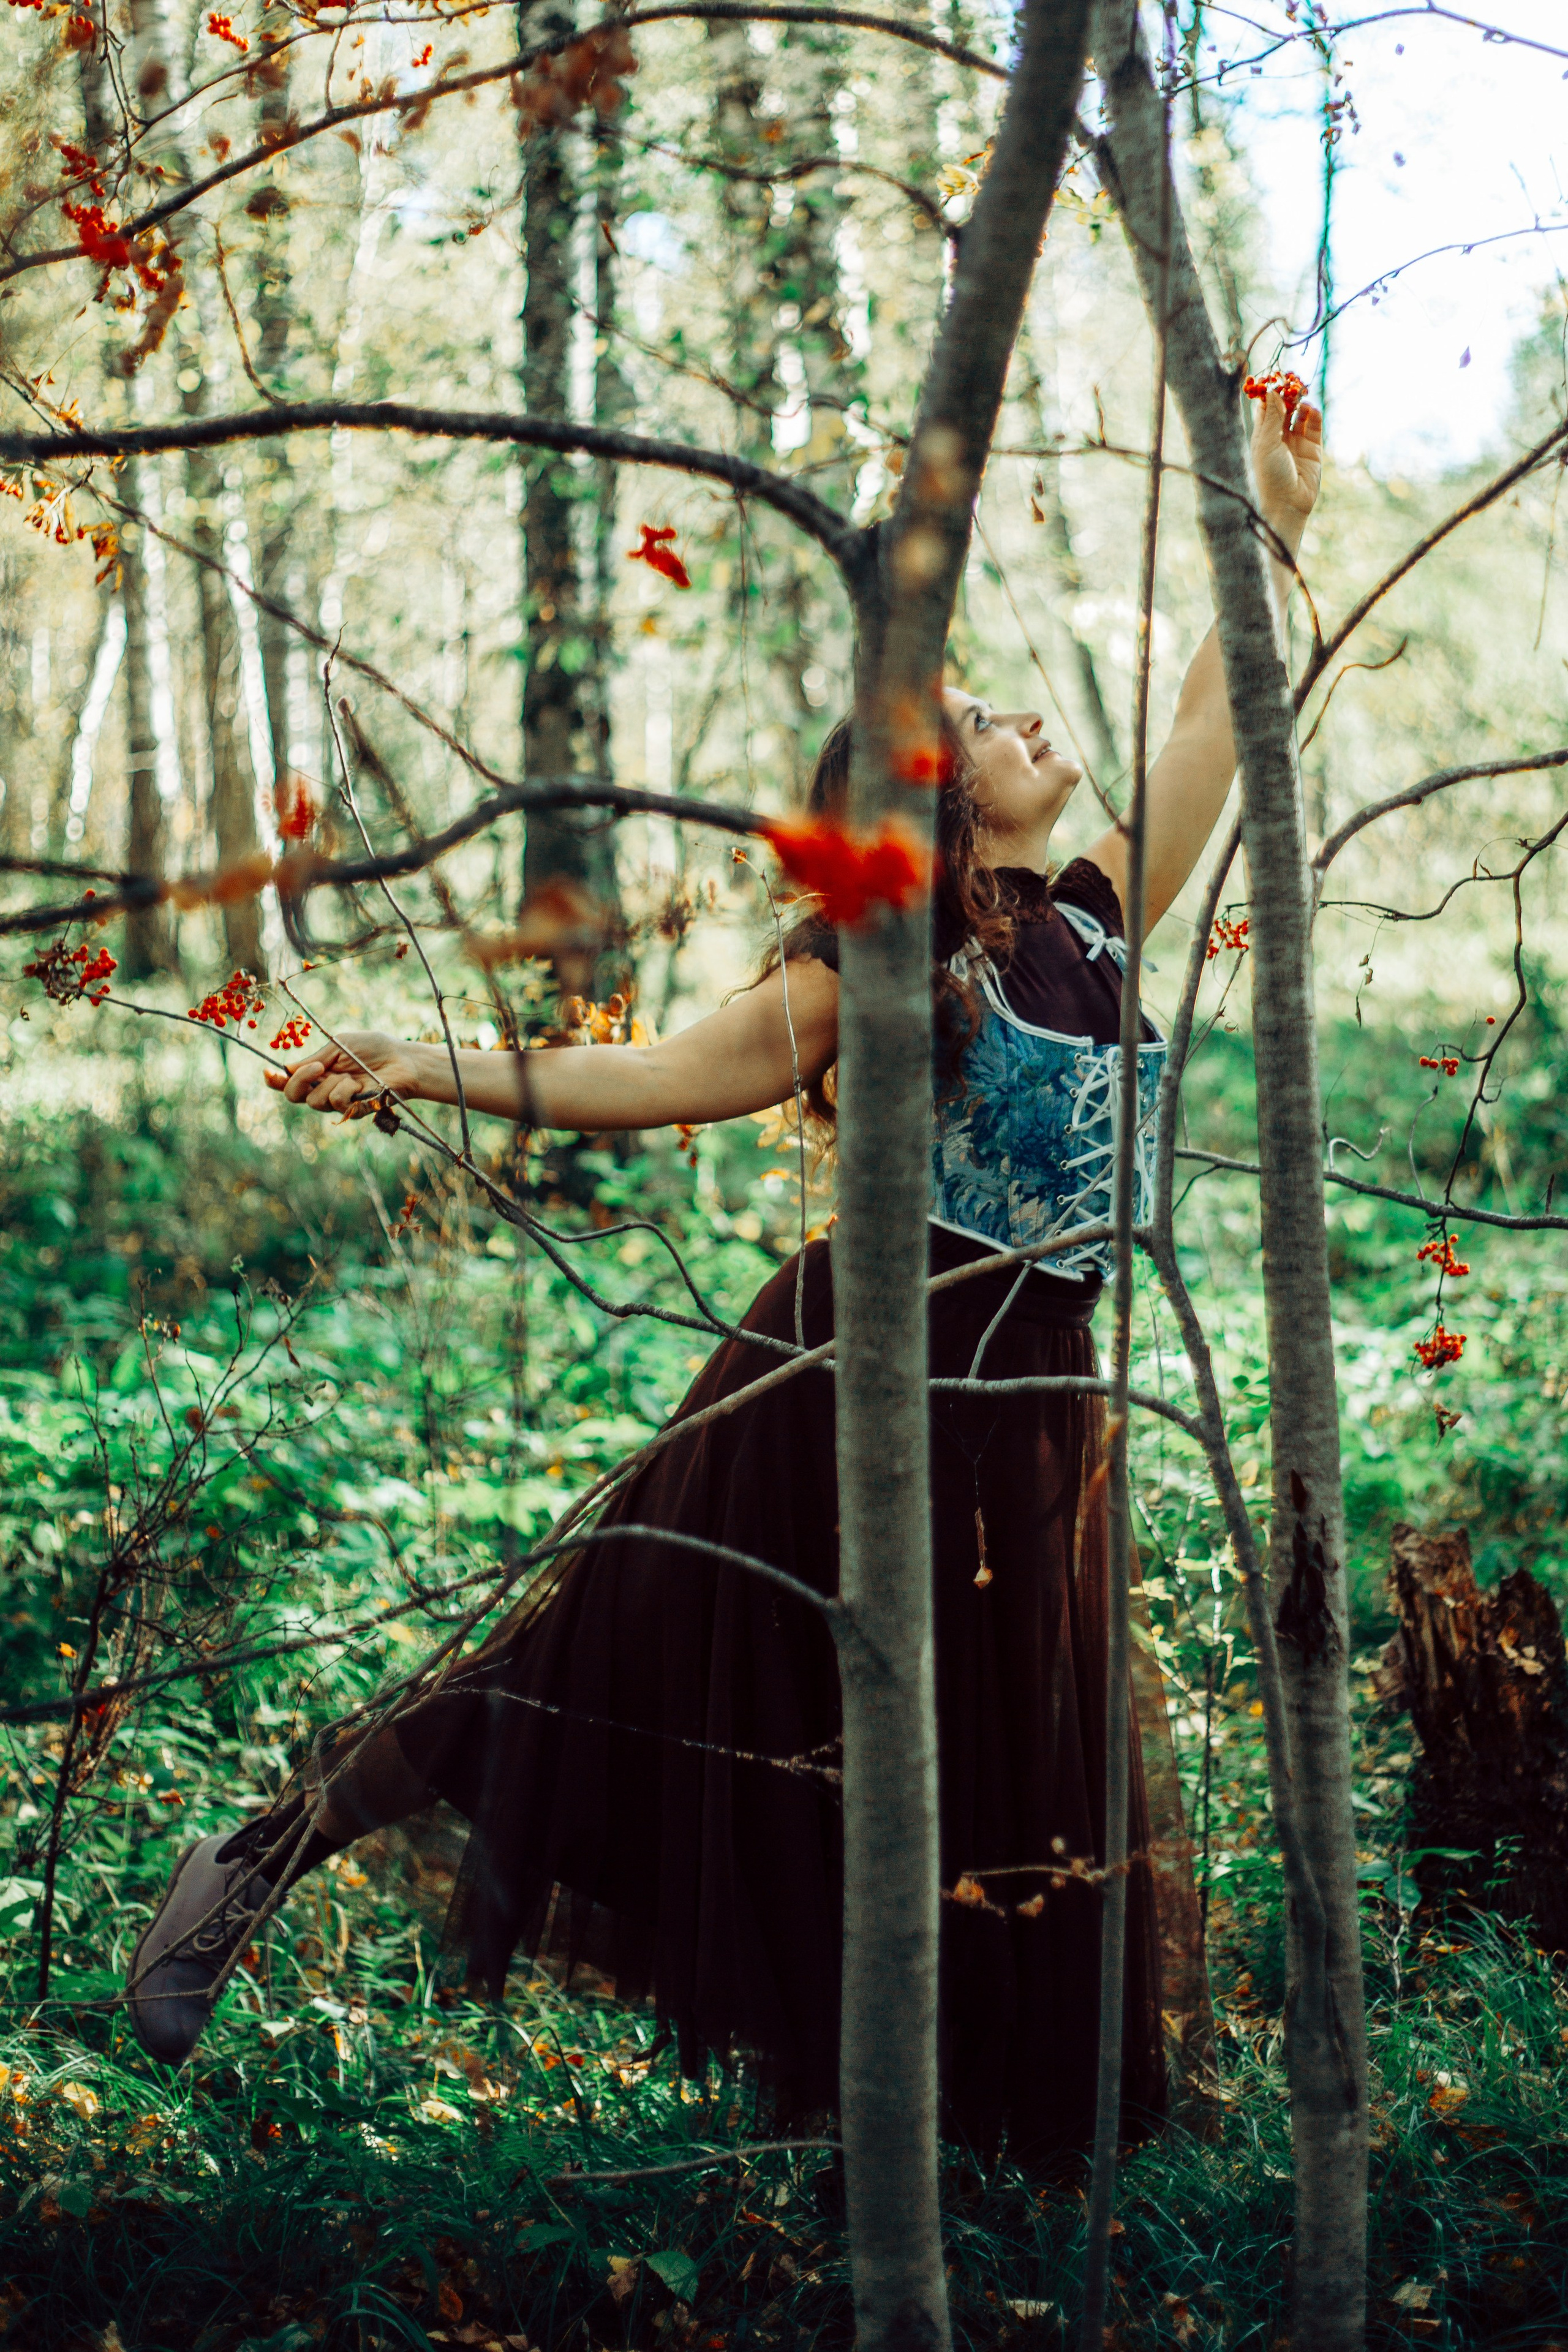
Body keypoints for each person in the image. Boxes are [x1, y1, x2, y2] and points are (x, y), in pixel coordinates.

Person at [126, 388, 1321, 2165]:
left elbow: (1238, 707)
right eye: (975, 719)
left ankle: (966, 2132)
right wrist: (420, 1052)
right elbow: (666, 1071)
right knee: (597, 1668)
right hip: (850, 1389)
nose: (1013, 714)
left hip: (1038, 1410)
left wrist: (1270, 517)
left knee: (988, 1761)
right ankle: (263, 1853)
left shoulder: (1082, 916)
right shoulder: (897, 967)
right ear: (932, 797)